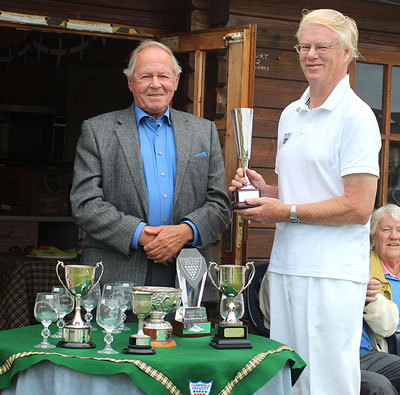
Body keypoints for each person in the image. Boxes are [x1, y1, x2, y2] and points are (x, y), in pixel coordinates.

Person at [230, 9, 381, 395]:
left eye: (322, 47)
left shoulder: (357, 117)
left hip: (330, 275)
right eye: (304, 46)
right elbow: (304, 194)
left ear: (347, 53)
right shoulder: (290, 114)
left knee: (326, 385)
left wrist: (285, 211)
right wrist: (264, 194)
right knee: (289, 382)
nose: (311, 54)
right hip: (286, 268)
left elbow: (359, 206)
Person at [70, 40, 231, 302]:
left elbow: (220, 204)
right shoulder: (97, 130)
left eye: (163, 76)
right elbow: (85, 203)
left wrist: (184, 232)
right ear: (131, 82)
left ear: (176, 81)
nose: (155, 84)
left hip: (186, 272)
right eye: (146, 76)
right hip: (117, 273)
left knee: (187, 344)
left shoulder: (204, 132)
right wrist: (142, 235)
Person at [360, 204, 400, 394]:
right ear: (372, 238)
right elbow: (387, 327)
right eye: (386, 230)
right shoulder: (363, 270)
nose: (394, 236)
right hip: (388, 344)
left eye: (399, 230)